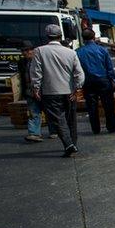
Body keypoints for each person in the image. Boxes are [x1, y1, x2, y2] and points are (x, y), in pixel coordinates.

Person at [30, 23, 85, 157]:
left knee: (58, 119)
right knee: (71, 119)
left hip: (50, 92)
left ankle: (69, 144)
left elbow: (36, 72)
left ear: (47, 36)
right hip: (69, 91)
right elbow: (79, 73)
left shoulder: (39, 51)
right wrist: (78, 88)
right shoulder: (71, 52)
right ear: (60, 36)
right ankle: (73, 144)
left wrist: (35, 88)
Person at [77, 29, 115, 134]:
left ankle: (95, 129)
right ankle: (111, 127)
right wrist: (114, 80)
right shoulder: (102, 50)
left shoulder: (78, 52)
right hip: (103, 80)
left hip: (87, 81)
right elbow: (109, 67)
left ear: (83, 38)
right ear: (94, 37)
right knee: (108, 105)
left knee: (92, 106)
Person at [17, 41, 44, 142]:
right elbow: (21, 77)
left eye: (27, 50)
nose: (25, 53)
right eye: (23, 51)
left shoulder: (40, 60)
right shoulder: (22, 62)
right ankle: (34, 133)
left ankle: (53, 131)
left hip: (43, 90)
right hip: (29, 91)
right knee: (33, 112)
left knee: (48, 111)